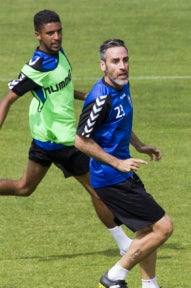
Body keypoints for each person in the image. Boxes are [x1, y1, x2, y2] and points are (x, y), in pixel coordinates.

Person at [0, 10, 132, 255]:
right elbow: (7, 100)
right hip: (65, 140)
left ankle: (124, 242)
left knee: (24, 188)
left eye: (59, 31)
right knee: (97, 189)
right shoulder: (36, 68)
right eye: (50, 33)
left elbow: (60, 88)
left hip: (45, 138)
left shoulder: (59, 54)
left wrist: (86, 97)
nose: (57, 36)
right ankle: (125, 245)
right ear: (37, 35)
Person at [75, 39, 182, 288]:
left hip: (123, 173)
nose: (122, 66)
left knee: (147, 229)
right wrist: (117, 163)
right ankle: (116, 275)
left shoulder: (122, 86)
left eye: (125, 60)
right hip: (111, 178)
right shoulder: (100, 97)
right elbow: (81, 141)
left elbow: (120, 123)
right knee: (163, 227)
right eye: (115, 61)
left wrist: (139, 144)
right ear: (103, 65)